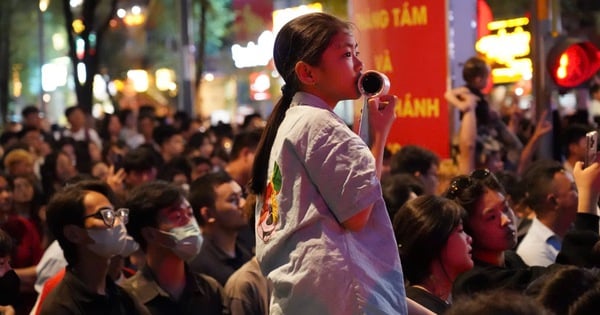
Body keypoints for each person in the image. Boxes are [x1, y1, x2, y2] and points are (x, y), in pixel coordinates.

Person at [248, 12, 407, 314]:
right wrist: (378, 139)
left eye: (356, 53)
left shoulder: (298, 120)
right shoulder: (320, 125)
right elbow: (357, 215)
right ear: (308, 73)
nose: (359, 65)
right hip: (338, 297)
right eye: (346, 54)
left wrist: (379, 136)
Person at [38, 180, 148, 314]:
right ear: (73, 234)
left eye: (115, 213)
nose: (118, 222)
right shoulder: (61, 307)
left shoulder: (122, 297)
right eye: (106, 215)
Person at [121, 181, 228, 315]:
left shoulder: (210, 290)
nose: (190, 223)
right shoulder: (128, 298)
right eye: (177, 217)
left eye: (190, 214)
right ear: (150, 234)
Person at [393, 195, 472, 314]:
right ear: (435, 241)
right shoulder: (415, 307)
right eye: (460, 230)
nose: (469, 239)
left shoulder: (452, 298)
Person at [188, 171, 252, 286]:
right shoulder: (198, 264)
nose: (243, 204)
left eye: (241, 196)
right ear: (208, 214)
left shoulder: (244, 253)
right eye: (233, 200)